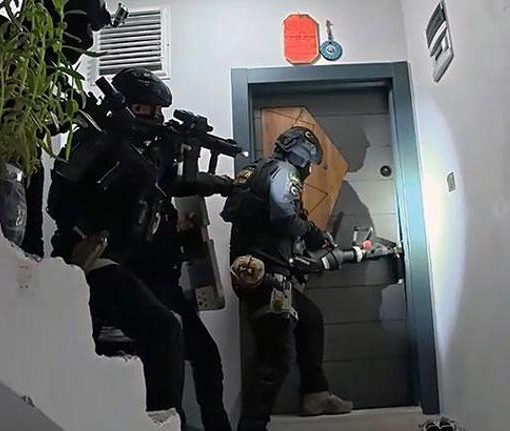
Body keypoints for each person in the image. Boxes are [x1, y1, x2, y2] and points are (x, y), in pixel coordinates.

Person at [48, 66, 233, 430]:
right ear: (130, 106)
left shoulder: (146, 149)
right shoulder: (95, 138)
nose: (157, 117)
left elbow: (172, 183)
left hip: (148, 268)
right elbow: (61, 201)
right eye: (149, 109)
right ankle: (164, 422)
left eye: (159, 110)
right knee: (164, 333)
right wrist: (110, 145)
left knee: (203, 354)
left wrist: (221, 182)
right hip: (100, 263)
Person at [221, 127, 353, 431]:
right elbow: (284, 216)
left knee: (310, 318)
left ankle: (315, 393)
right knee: (274, 358)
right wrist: (314, 234)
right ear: (302, 156)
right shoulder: (285, 172)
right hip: (268, 276)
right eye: (309, 163)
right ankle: (252, 426)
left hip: (254, 271)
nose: (308, 170)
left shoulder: (256, 169)